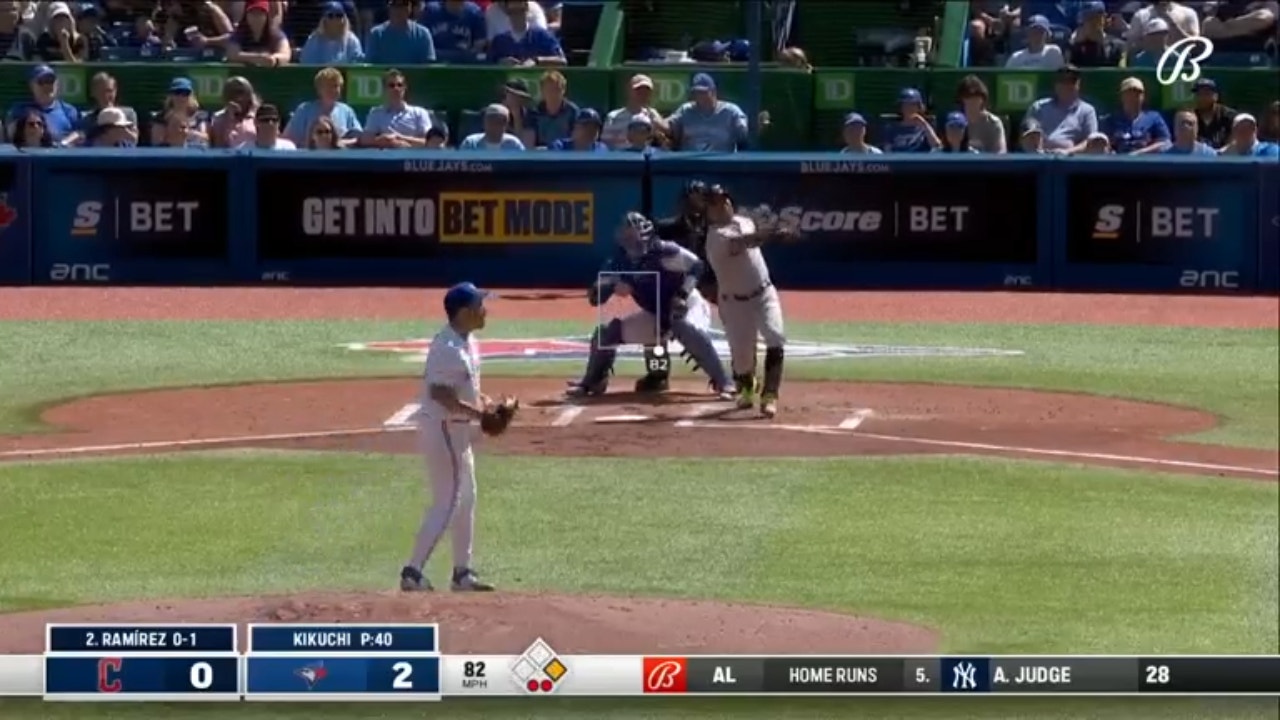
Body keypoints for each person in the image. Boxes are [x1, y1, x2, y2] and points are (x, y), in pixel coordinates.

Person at [399, 281, 502, 594]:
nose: (485, 310)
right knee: (448, 500)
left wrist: (488, 405)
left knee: (467, 498)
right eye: (479, 305)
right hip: (444, 430)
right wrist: (481, 416)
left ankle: (462, 573)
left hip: (457, 430)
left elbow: (466, 388)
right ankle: (412, 571)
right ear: (464, 312)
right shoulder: (447, 348)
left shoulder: (468, 342)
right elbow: (441, 394)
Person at [565, 212, 733, 400]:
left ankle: (724, 381)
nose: (632, 243)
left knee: (682, 325)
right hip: (655, 312)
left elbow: (697, 266)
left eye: (635, 237)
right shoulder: (619, 262)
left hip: (687, 304)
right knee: (606, 333)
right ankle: (594, 381)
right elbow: (596, 299)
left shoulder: (665, 251)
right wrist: (608, 287)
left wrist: (682, 294)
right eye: (627, 237)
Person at [702, 185, 786, 418]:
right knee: (742, 360)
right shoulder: (715, 238)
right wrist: (775, 233)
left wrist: (772, 230)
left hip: (764, 293)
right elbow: (745, 241)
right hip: (734, 303)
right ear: (709, 211)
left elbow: (753, 233)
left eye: (724, 201)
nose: (722, 206)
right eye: (715, 204)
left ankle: (770, 395)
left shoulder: (744, 221)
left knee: (775, 337)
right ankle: (748, 387)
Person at [1023, 65, 1098, 155]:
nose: (1067, 85)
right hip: (1040, 158)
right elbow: (1028, 136)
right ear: (1055, 84)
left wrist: (1067, 152)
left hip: (1072, 159)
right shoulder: (1038, 106)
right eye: (1063, 81)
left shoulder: (1087, 110)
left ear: (1079, 85)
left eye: (1072, 81)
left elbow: (1090, 141)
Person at [667, 73, 749, 152]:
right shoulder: (685, 110)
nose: (699, 96)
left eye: (703, 92)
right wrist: (655, 116)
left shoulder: (731, 111)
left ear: (713, 92)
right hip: (689, 162)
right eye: (696, 92)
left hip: (722, 161)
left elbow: (745, 131)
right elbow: (668, 126)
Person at [285, 67, 362, 147]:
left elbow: (358, 138)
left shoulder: (346, 111)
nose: (332, 90)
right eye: (328, 86)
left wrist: (340, 143)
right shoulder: (304, 109)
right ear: (319, 89)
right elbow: (288, 139)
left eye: (335, 86)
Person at [6, 65, 80, 146]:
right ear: (31, 85)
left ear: (57, 84)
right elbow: (12, 136)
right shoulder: (19, 109)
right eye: (41, 82)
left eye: (50, 81)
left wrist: (63, 144)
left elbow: (79, 133)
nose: (47, 86)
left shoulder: (68, 110)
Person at [361, 68, 433, 148]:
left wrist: (400, 137)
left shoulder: (420, 113)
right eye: (391, 85)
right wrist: (381, 141)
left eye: (400, 85)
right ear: (385, 89)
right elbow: (364, 140)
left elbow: (430, 142)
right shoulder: (376, 113)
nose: (396, 89)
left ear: (405, 88)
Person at [1100, 77, 1170, 155]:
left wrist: (1139, 153)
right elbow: (1102, 143)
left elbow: (1165, 142)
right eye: (1129, 93)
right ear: (1122, 96)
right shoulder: (1111, 119)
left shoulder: (1154, 117)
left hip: (1146, 161)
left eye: (1137, 94)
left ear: (1143, 97)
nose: (1133, 97)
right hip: (1118, 162)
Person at [602, 74, 670, 150]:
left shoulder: (652, 115)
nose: (643, 94)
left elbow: (666, 139)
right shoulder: (613, 116)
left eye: (646, 91)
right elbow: (606, 146)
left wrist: (657, 123)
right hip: (619, 158)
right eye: (638, 90)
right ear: (629, 90)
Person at [488, 0, 563, 66]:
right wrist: (501, 62)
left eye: (521, 10)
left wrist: (536, 61)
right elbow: (488, 64)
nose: (517, 15)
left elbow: (562, 60)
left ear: (527, 9)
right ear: (507, 12)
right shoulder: (499, 41)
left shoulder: (542, 36)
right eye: (513, 11)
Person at [367, 0, 436, 64]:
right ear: (388, 7)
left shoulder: (422, 34)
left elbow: (428, 67)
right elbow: (371, 68)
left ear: (410, 8)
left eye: (404, 4)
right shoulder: (376, 34)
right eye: (394, 4)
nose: (399, 10)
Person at [81, 72, 138, 147]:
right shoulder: (87, 119)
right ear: (93, 93)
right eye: (101, 91)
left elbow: (134, 140)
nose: (106, 96)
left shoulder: (129, 113)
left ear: (116, 92)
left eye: (109, 91)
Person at [228, 0, 291, 66]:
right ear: (246, 16)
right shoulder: (239, 33)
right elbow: (232, 54)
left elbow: (285, 55)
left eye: (260, 13)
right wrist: (257, 58)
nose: (256, 18)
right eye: (252, 13)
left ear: (267, 16)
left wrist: (274, 59)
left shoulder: (276, 34)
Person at [299, 1, 365, 64]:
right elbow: (307, 64)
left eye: (339, 15)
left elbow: (357, 64)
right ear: (324, 19)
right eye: (330, 16)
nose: (335, 19)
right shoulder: (313, 40)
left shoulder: (352, 41)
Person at [524, 70, 578, 148]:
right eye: (548, 90)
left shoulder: (573, 111)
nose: (552, 94)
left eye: (557, 90)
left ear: (563, 91)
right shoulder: (533, 112)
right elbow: (528, 143)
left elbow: (576, 141)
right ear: (542, 91)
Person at [150, 77, 209, 147]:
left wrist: (187, 133)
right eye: (177, 93)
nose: (181, 97)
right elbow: (156, 143)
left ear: (191, 96)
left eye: (185, 93)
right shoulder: (160, 118)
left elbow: (205, 138)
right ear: (171, 95)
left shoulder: (199, 116)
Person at [954, 75, 1006, 153]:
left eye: (976, 97)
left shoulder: (993, 123)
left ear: (982, 99)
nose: (972, 101)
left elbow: (1001, 152)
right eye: (968, 97)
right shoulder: (955, 121)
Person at [420, 0, 486, 61]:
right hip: (435, 64)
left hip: (463, 65)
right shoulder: (431, 11)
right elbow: (422, 44)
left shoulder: (474, 13)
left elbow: (479, 46)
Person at [1067, 1, 1124, 67]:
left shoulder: (1117, 46)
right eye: (1088, 19)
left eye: (1096, 18)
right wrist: (1075, 46)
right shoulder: (1074, 46)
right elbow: (1068, 71)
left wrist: (1102, 45)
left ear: (1104, 19)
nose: (1092, 23)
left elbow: (1120, 71)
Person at [209, 76, 260, 148]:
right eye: (232, 93)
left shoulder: (259, 116)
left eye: (241, 92)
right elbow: (218, 146)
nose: (237, 97)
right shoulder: (218, 117)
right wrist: (230, 119)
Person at [882, 87, 933, 153]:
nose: (909, 108)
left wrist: (924, 124)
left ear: (919, 107)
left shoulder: (926, 127)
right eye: (905, 105)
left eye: (912, 105)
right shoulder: (891, 129)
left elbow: (937, 146)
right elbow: (887, 152)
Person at [1191, 78, 1237, 149]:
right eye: (1199, 94)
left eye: (1206, 94)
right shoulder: (1191, 117)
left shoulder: (1229, 115)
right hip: (1199, 157)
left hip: (1225, 157)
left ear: (1216, 96)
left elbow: (1236, 141)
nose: (1202, 98)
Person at [458, 103, 525, 149]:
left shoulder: (514, 145)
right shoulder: (471, 143)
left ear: (506, 125)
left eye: (499, 121)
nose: (494, 125)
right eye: (491, 120)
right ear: (484, 122)